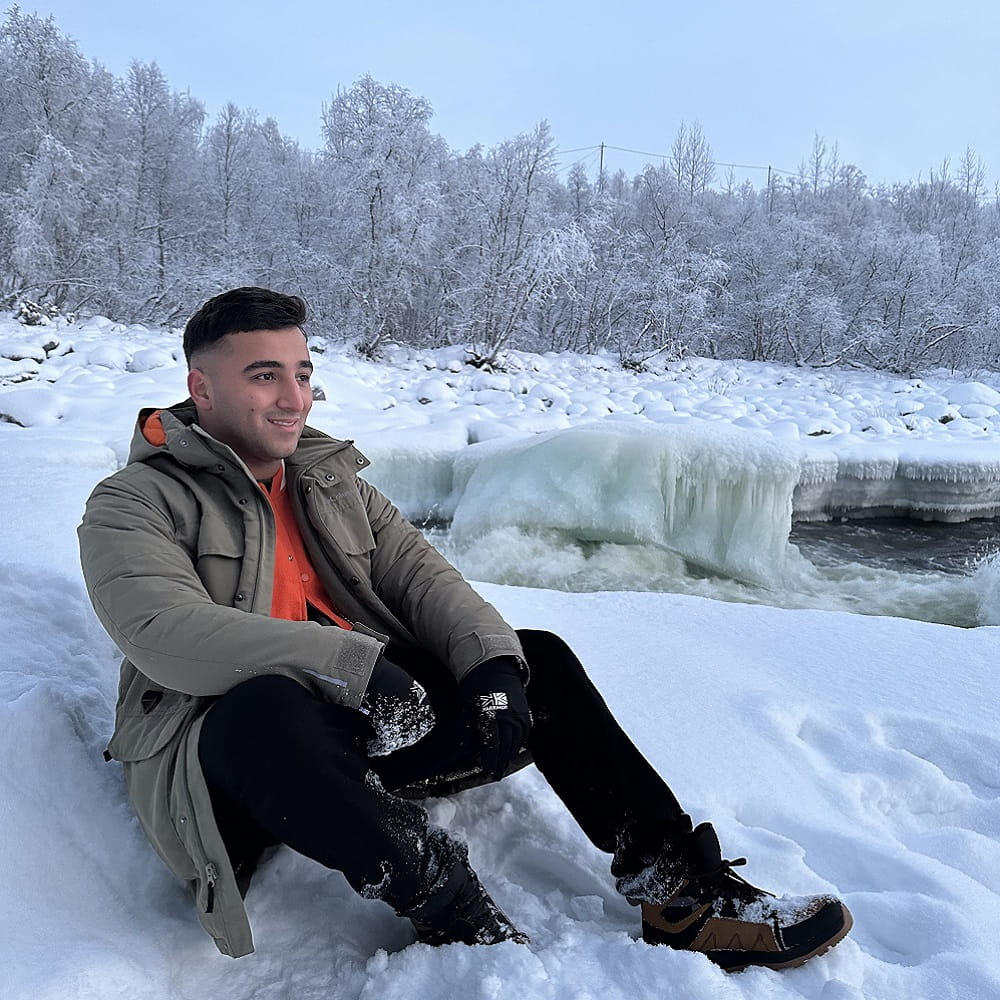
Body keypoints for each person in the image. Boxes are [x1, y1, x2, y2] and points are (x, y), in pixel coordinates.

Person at [78, 286, 852, 971]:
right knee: (262, 711)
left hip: (364, 731)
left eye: (303, 373)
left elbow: (425, 579)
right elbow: (164, 631)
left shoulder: (326, 480)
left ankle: (678, 889)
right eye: (264, 376)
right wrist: (349, 663)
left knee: (534, 659)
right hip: (234, 771)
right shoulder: (134, 502)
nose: (294, 398)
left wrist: (490, 670)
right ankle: (455, 911)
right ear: (199, 387)